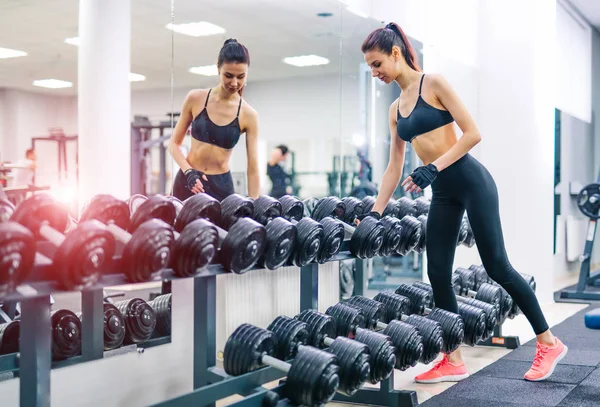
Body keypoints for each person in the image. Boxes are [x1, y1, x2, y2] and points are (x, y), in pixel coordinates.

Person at [359, 22, 567, 383]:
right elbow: (394, 167)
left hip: (473, 182)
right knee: (438, 272)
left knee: (498, 266)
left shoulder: (433, 83)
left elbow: (472, 133)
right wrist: (376, 211)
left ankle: (548, 342)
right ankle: (452, 358)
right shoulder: (394, 109)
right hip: (443, 192)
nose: (374, 72)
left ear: (395, 54)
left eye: (377, 64)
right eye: (370, 68)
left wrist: (432, 167)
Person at [168, 38, 260, 201]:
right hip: (188, 181)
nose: (234, 82)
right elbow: (174, 144)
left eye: (241, 76)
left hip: (220, 187)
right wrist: (188, 171)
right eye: (228, 75)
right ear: (218, 68)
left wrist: (256, 204)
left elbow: (253, 167)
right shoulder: (196, 98)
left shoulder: (249, 114)